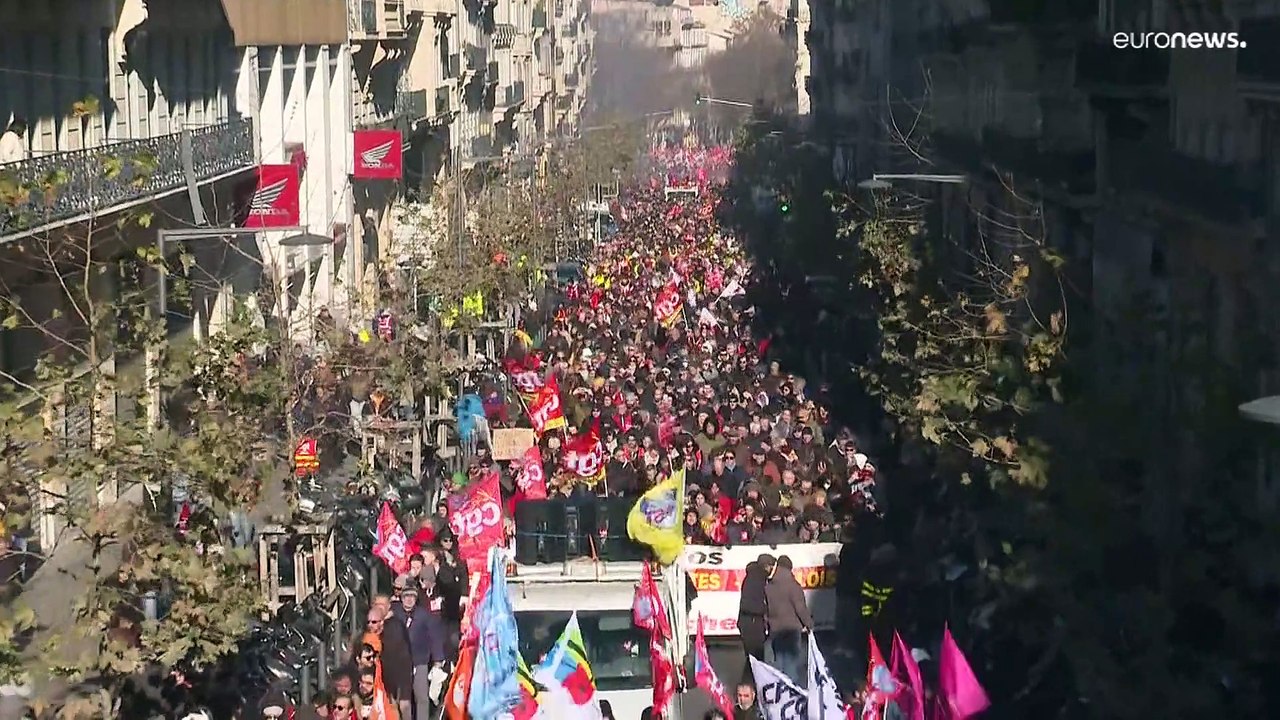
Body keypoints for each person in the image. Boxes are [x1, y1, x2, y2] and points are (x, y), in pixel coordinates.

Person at [764, 554, 812, 683]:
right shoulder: (792, 585)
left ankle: (779, 695)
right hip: (791, 629)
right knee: (791, 667)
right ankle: (793, 697)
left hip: (776, 630)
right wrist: (809, 624)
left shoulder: (769, 585)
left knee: (779, 666)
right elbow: (800, 608)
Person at [737, 554, 772, 674]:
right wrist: (767, 611)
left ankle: (750, 684)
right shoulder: (759, 579)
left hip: (748, 622)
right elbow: (754, 603)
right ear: (766, 566)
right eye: (770, 566)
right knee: (755, 661)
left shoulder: (751, 576)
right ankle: (751, 685)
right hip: (753, 622)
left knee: (751, 659)